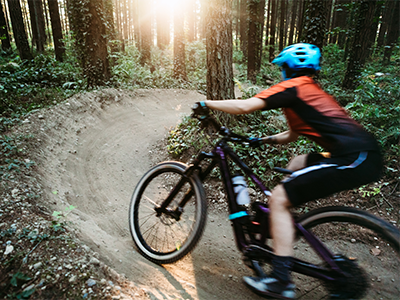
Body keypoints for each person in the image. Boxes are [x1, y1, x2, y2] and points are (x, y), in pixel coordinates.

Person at [194, 43, 382, 299]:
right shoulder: (308, 91)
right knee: (297, 163)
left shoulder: (294, 86)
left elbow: (246, 106)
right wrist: (262, 140)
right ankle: (282, 221)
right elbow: (292, 134)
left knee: (280, 198)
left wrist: (206, 103)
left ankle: (281, 281)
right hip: (359, 154)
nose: (280, 73)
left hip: (355, 156)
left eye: (282, 68)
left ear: (288, 69)